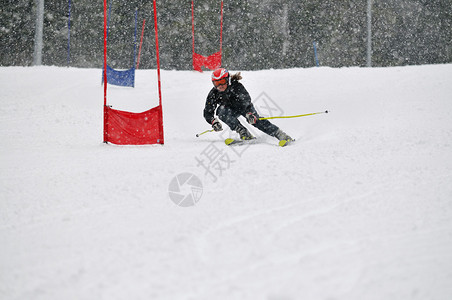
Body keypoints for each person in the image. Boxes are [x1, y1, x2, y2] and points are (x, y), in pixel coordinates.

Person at [203, 67, 293, 143]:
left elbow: (245, 101)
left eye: (222, 81)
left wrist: (249, 113)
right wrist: (213, 121)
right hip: (230, 110)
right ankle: (243, 132)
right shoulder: (214, 93)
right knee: (221, 111)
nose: (220, 85)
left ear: (228, 79)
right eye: (216, 83)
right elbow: (208, 111)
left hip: (244, 108)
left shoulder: (237, 87)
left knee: (255, 121)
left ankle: (280, 134)